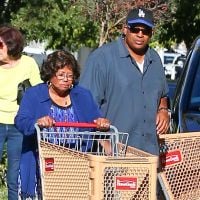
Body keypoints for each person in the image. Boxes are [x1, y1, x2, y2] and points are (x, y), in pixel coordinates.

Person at [15, 50, 111, 199]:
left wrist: (101, 123)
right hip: (44, 165)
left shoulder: (83, 95)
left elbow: (96, 119)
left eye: (70, 75)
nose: (66, 79)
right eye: (61, 74)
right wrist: (37, 122)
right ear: (50, 74)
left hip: (76, 164)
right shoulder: (34, 94)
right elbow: (21, 121)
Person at [79, 7, 170, 156]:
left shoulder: (155, 59)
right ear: (125, 29)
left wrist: (163, 110)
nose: (140, 34)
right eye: (135, 29)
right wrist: (103, 142)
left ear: (151, 33)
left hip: (149, 153)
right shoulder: (102, 58)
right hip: (112, 154)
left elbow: (163, 94)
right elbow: (84, 105)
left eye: (145, 30)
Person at [0, 25, 42, 200]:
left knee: (14, 175)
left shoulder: (28, 63)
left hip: (19, 125)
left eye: (0, 45)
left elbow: (39, 91)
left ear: (11, 46)